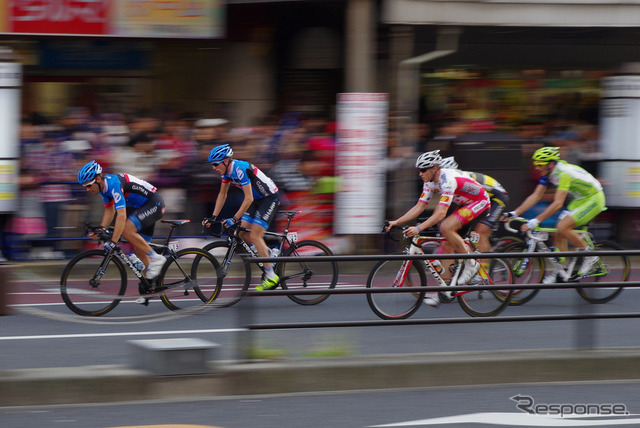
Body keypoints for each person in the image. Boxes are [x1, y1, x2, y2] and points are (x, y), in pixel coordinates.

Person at [385, 150, 491, 306]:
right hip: (465, 204)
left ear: (434, 168)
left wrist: (419, 228)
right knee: (446, 244)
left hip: (480, 202)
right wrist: (396, 222)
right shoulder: (429, 182)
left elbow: (441, 213)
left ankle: (471, 265)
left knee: (445, 226)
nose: (420, 173)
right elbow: (420, 206)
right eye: (418, 170)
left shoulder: (447, 179)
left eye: (423, 169)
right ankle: (445, 291)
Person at [503, 146, 605, 283]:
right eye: (535, 164)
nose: (537, 167)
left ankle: (590, 257)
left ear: (551, 164)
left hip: (594, 198)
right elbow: (536, 196)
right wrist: (515, 212)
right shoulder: (548, 173)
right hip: (580, 199)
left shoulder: (564, 174)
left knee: (563, 227)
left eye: (540, 164)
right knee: (558, 232)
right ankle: (561, 271)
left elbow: (557, 203)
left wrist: (537, 220)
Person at [202, 144, 281, 291]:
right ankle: (269, 254)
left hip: (268, 198)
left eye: (215, 164)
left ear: (226, 161)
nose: (213, 167)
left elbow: (248, 198)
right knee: (242, 233)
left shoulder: (239, 169)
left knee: (255, 236)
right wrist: (213, 217)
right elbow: (222, 195)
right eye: (211, 164)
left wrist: (234, 218)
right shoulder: (225, 173)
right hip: (256, 200)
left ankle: (271, 276)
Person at [77, 160, 167, 279]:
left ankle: (157, 258)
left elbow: (121, 215)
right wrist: (101, 229)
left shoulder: (113, 184)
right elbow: (110, 210)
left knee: (126, 230)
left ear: (98, 179)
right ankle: (149, 291)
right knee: (140, 251)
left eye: (88, 185)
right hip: (139, 208)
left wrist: (113, 242)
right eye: (84, 187)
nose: (87, 189)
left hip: (153, 204)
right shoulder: (103, 189)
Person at [439, 156, 509, 277]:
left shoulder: (461, 179)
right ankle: (447, 288)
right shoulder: (445, 183)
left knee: (481, 231)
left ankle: (482, 273)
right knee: (450, 238)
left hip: (496, 197)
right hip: (474, 201)